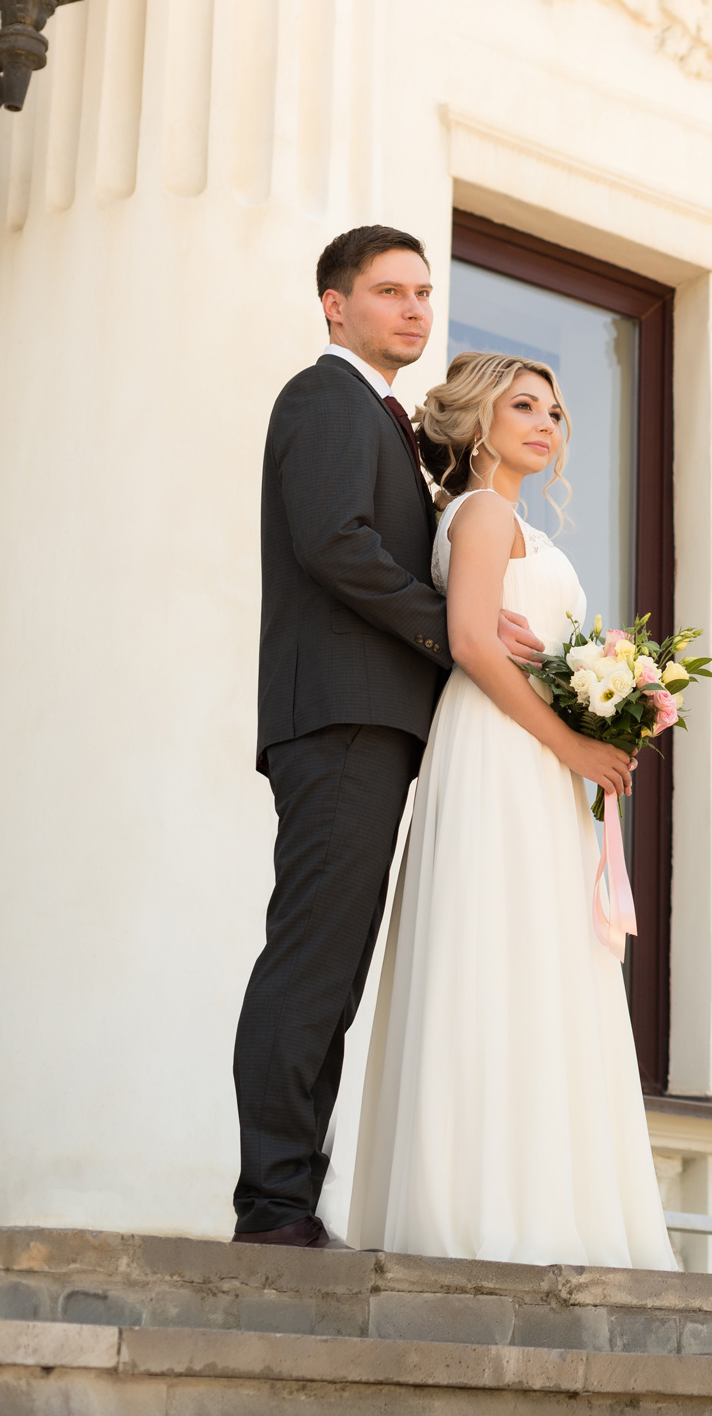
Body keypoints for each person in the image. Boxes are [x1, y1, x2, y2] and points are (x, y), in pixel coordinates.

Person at [233, 227, 544, 1248]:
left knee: (334, 966)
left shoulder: (390, 420)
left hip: (374, 722)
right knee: (315, 963)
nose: (414, 309)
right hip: (343, 716)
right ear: (335, 305)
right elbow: (334, 544)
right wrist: (450, 632)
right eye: (387, 292)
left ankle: (288, 1199)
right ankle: (274, 1208)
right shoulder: (324, 398)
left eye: (423, 292)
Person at [346, 351, 677, 1268]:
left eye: (557, 411)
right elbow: (469, 644)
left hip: (534, 760)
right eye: (523, 405)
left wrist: (601, 698)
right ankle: (478, 1212)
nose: (546, 422)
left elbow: (520, 647)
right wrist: (573, 741)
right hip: (501, 750)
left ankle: (546, 1205)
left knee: (543, 964)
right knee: (492, 951)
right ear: (480, 420)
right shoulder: (483, 513)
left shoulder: (508, 519)